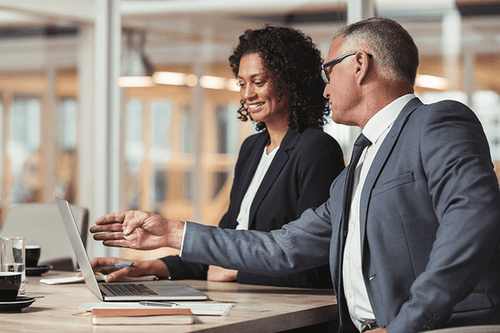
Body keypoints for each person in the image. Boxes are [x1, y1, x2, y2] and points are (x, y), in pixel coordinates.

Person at [91, 17, 500, 332]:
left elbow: (472, 224)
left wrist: (408, 324)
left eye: (329, 71)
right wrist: (172, 232)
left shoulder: (438, 122)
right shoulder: (355, 168)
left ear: (359, 65)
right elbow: (281, 247)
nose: (324, 89)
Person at [90, 26, 344, 288]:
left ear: (292, 82)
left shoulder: (317, 149)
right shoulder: (252, 148)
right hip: (241, 298)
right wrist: (148, 267)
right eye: (242, 84)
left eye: (258, 82)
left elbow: (315, 263)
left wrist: (237, 272)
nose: (247, 94)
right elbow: (224, 243)